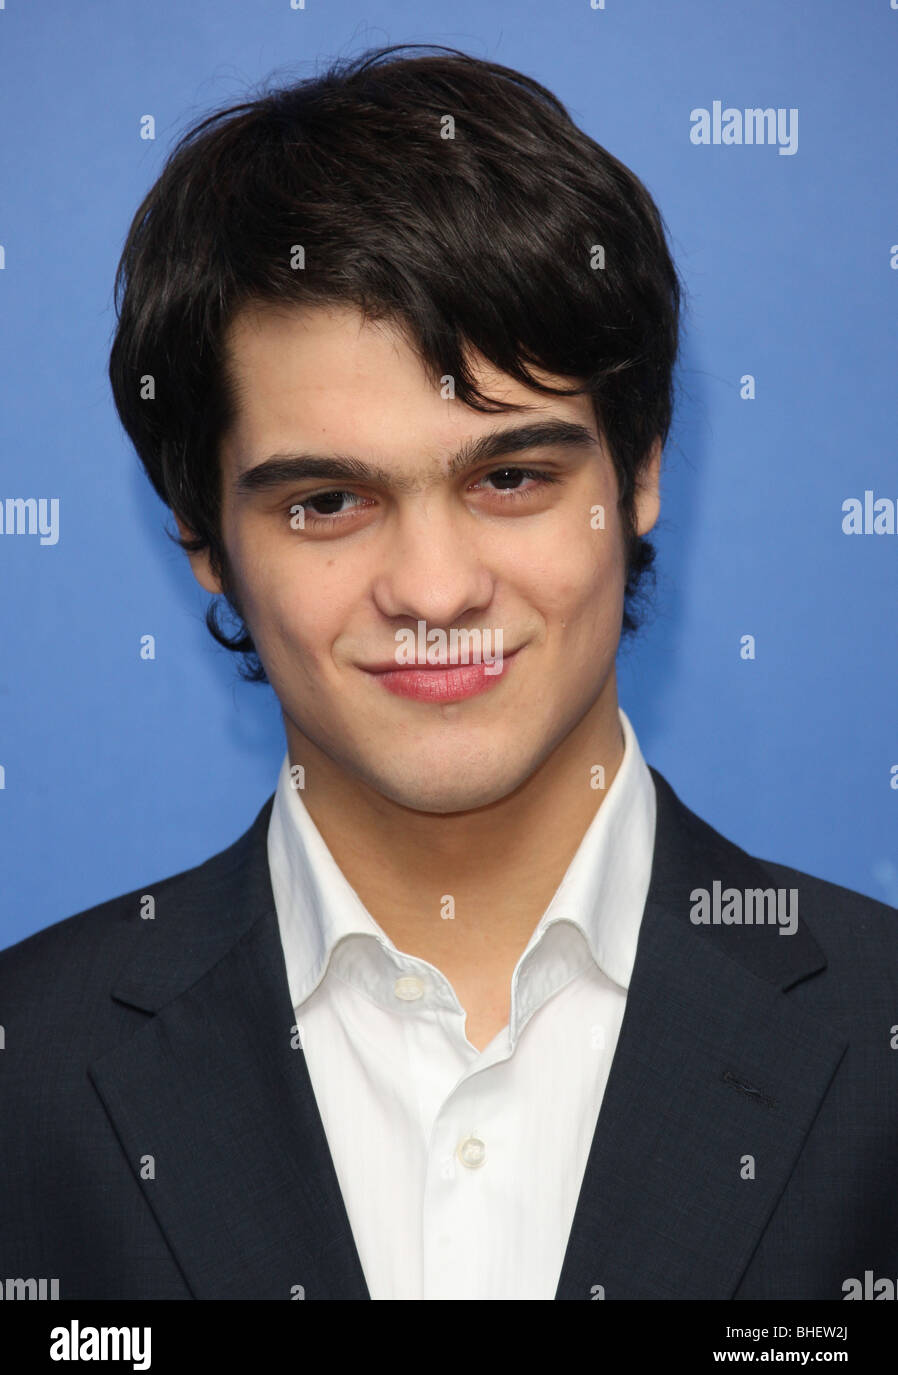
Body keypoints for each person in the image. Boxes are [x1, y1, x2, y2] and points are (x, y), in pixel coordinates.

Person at [2, 44, 896, 1302]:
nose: (432, 590)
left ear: (638, 474)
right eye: (326, 500)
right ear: (203, 539)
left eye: (511, 477)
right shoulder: (23, 1075)